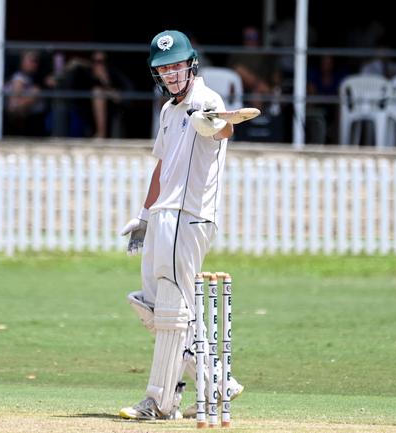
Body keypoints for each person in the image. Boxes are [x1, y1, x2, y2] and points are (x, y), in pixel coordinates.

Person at [118, 30, 243, 421]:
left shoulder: (206, 100)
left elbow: (225, 129)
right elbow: (161, 164)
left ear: (191, 64)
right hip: (162, 214)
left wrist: (212, 125)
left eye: (176, 66)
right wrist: (143, 213)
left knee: (173, 309)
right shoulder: (168, 111)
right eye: (163, 69)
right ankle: (217, 381)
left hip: (188, 215)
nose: (171, 74)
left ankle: (160, 401)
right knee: (151, 305)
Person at [57, 50, 133, 138]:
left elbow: (123, 96)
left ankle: (101, 134)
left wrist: (104, 81)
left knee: (98, 92)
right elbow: (67, 81)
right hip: (84, 109)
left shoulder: (113, 73)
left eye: (101, 62)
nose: (98, 65)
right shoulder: (86, 72)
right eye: (94, 61)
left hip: (111, 109)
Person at [228, 25, 281, 109]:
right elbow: (230, 71)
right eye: (248, 37)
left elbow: (273, 72)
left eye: (254, 37)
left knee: (256, 94)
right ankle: (268, 91)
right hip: (240, 85)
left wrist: (274, 84)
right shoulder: (237, 53)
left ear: (259, 38)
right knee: (239, 70)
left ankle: (256, 120)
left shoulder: (264, 54)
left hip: (257, 87)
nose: (251, 40)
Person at [3, 50, 47, 136]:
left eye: (36, 62)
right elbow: (13, 104)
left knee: (35, 91)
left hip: (32, 117)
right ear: (22, 62)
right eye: (31, 61)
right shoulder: (18, 77)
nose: (34, 64)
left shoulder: (36, 77)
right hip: (17, 118)